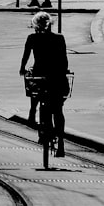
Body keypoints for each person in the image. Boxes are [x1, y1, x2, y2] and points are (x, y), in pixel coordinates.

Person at [19, 11, 69, 157]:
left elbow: (25, 56)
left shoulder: (32, 38)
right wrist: (64, 71)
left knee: (34, 87)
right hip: (57, 76)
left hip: (40, 74)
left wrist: (22, 69)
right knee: (58, 110)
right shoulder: (59, 38)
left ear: (35, 26)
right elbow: (64, 59)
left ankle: (33, 110)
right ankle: (61, 144)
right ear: (50, 24)